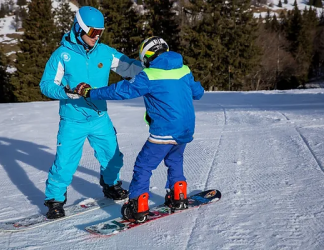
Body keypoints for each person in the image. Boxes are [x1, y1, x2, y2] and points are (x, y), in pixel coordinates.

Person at [74, 36, 205, 223]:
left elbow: (121, 91)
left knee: (144, 166)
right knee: (174, 159)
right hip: (185, 130)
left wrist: (91, 92)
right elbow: (198, 93)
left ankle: (138, 205)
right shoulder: (184, 69)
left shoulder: (149, 76)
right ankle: (179, 194)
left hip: (164, 131)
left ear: (147, 56)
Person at [39, 6, 143, 219]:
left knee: (113, 157)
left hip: (99, 118)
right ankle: (55, 200)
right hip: (73, 119)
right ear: (78, 29)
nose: (97, 37)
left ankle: (111, 185)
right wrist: (66, 92)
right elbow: (46, 84)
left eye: (100, 32)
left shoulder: (105, 52)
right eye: (93, 32)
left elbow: (129, 67)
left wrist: (152, 69)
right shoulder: (62, 55)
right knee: (65, 162)